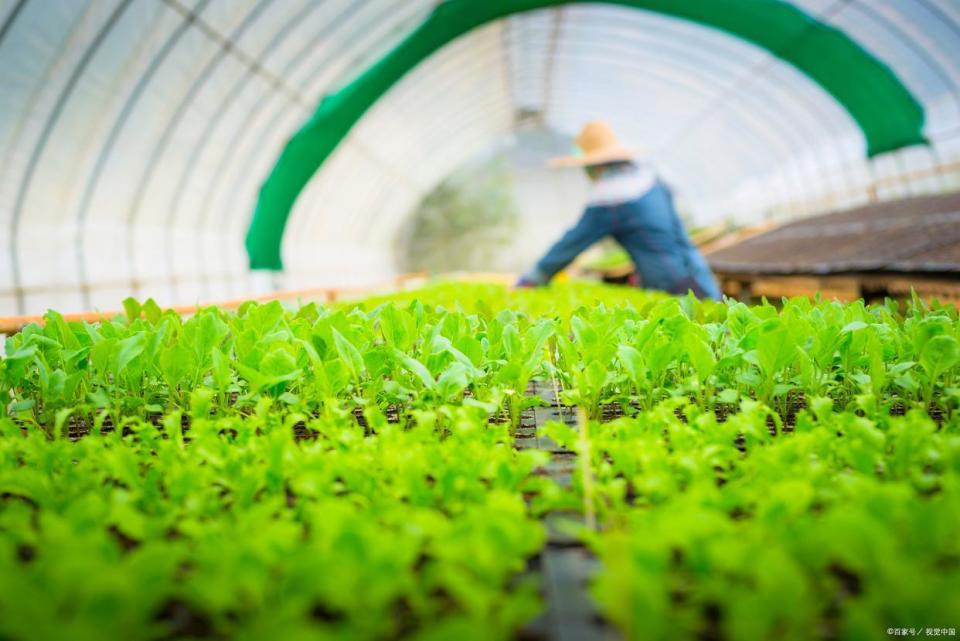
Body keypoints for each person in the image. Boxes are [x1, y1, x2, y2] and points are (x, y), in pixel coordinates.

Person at [517, 121, 722, 300]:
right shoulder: (651, 180)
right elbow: (680, 236)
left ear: (595, 166)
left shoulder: (612, 197)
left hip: (671, 288)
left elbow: (571, 244)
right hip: (698, 277)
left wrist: (532, 278)